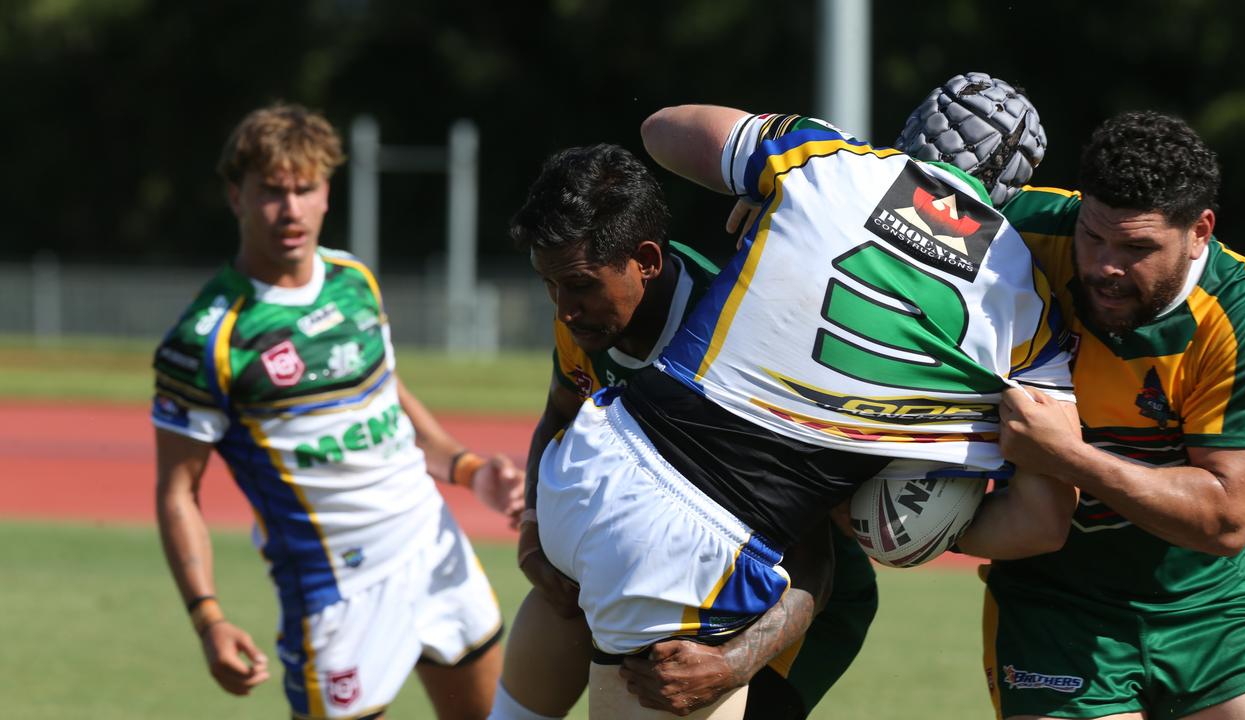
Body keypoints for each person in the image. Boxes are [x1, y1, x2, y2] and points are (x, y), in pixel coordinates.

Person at [526, 104, 1081, 718]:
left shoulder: (825, 160)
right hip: (694, 543)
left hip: (591, 461)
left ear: (908, 136)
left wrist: (768, 176)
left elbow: (661, 129)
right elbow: (1043, 521)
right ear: (1012, 193)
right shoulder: (1023, 299)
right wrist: (892, 527)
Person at [152, 103, 523, 720]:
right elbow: (177, 491)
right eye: (272, 191)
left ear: (327, 192)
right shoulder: (206, 340)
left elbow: (389, 396)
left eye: (306, 188)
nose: (291, 209)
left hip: (432, 547)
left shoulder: (355, 279)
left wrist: (466, 468)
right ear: (235, 196)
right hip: (336, 592)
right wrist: (207, 615)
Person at [490, 143, 879, 720]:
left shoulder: (737, 350)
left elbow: (813, 562)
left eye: (578, 285)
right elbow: (560, 412)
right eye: (550, 286)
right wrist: (531, 534)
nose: (564, 309)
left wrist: (733, 665)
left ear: (645, 259)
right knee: (555, 604)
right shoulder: (588, 322)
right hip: (656, 572)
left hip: (786, 608)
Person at [961, 111, 1245, 719]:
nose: (1105, 266)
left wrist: (1066, 456)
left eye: (1137, 248)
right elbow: (883, 226)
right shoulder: (1021, 235)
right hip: (1054, 609)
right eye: (1093, 235)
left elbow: (1225, 518)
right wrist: (772, 203)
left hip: (1207, 605)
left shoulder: (1243, 318)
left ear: (1199, 232)